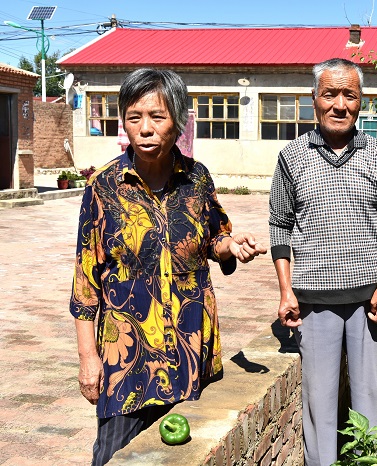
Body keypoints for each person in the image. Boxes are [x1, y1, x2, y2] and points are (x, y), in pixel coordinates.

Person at [69, 68, 267, 466]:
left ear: (178, 121)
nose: (144, 128)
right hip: (125, 361)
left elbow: (215, 238)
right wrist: (88, 358)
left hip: (188, 351)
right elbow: (85, 281)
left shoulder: (197, 180)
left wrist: (232, 246)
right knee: (112, 457)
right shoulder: (104, 187)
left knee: (186, 457)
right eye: (134, 116)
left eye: (157, 117)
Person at [269, 57, 377, 466]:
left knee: (370, 404)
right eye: (330, 94)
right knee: (320, 405)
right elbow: (279, 224)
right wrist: (286, 291)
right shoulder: (292, 157)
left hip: (368, 303)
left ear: (361, 102)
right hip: (314, 304)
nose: (340, 104)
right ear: (315, 99)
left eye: (350, 95)